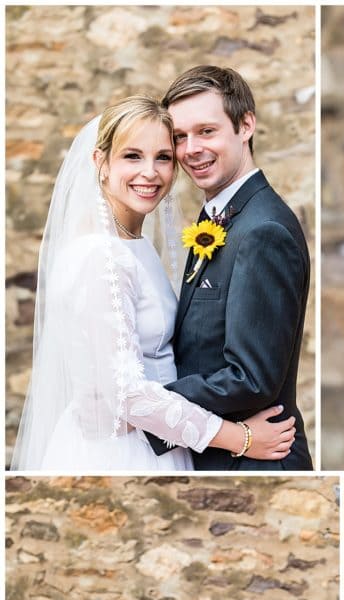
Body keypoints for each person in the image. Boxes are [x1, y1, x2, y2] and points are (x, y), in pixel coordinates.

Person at [10, 97, 296, 471]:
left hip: (162, 442)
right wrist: (239, 437)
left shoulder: (133, 244)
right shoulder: (100, 256)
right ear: (100, 161)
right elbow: (125, 393)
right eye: (132, 156)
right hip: (123, 453)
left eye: (163, 157)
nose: (151, 173)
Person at [143, 66, 313, 471]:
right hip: (218, 455)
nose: (190, 149)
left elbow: (251, 377)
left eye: (206, 131)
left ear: (246, 125)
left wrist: (149, 407)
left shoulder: (263, 230)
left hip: (253, 463)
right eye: (180, 137)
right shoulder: (221, 216)